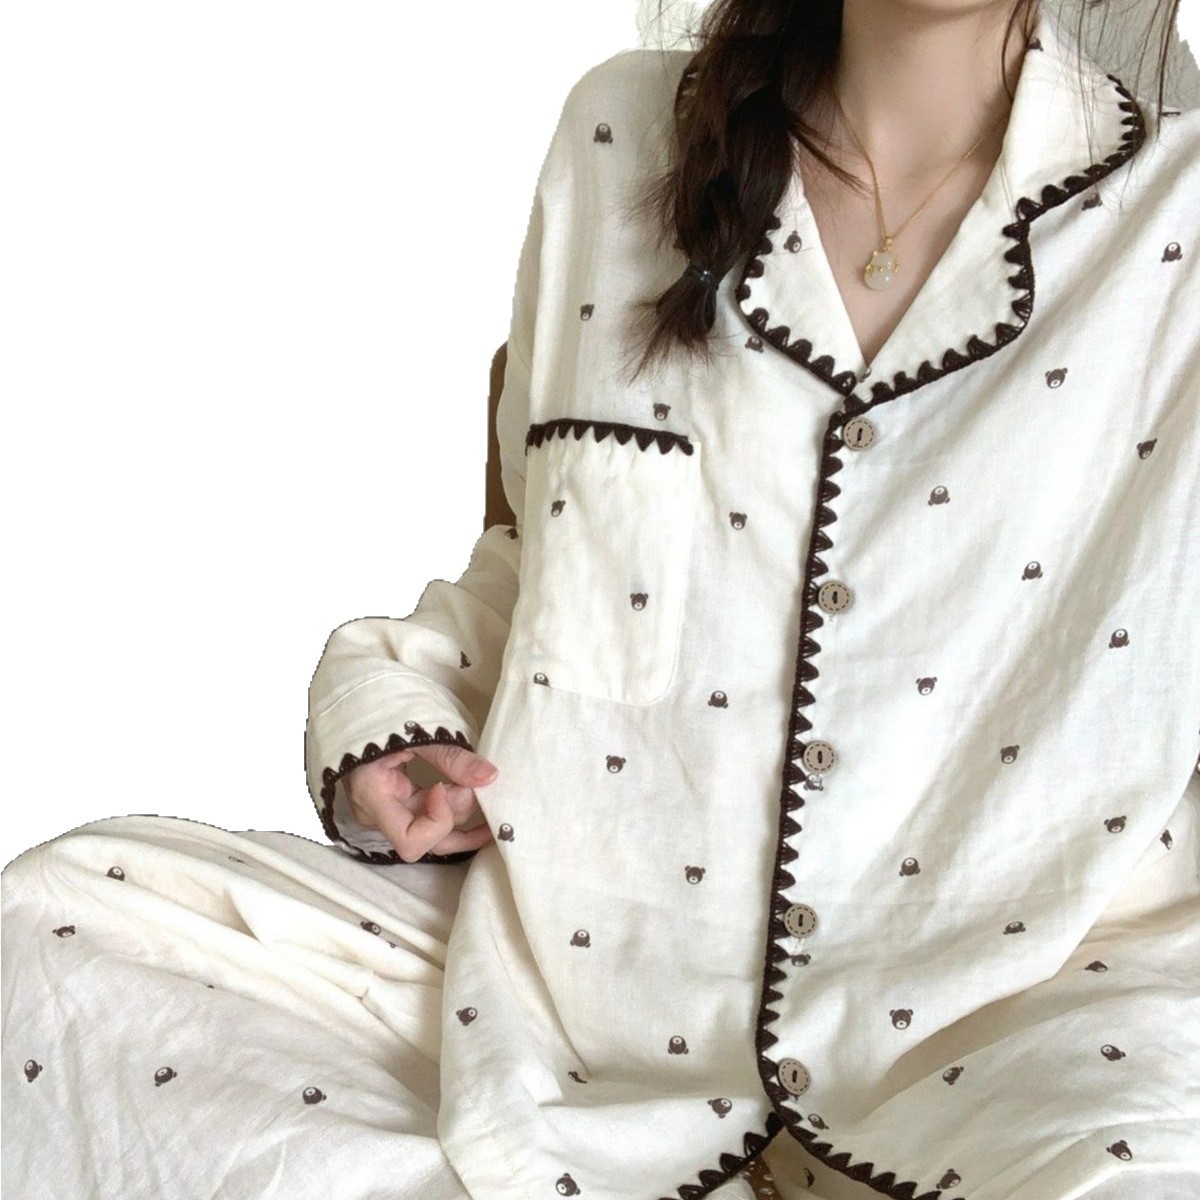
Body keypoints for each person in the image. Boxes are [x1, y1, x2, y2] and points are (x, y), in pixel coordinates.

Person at [4, 1, 1197, 1199]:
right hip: (575, 978)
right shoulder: (623, 138)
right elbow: (553, 557)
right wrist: (400, 722)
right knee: (58, 925)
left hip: (1029, 1003)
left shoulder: (1178, 218)